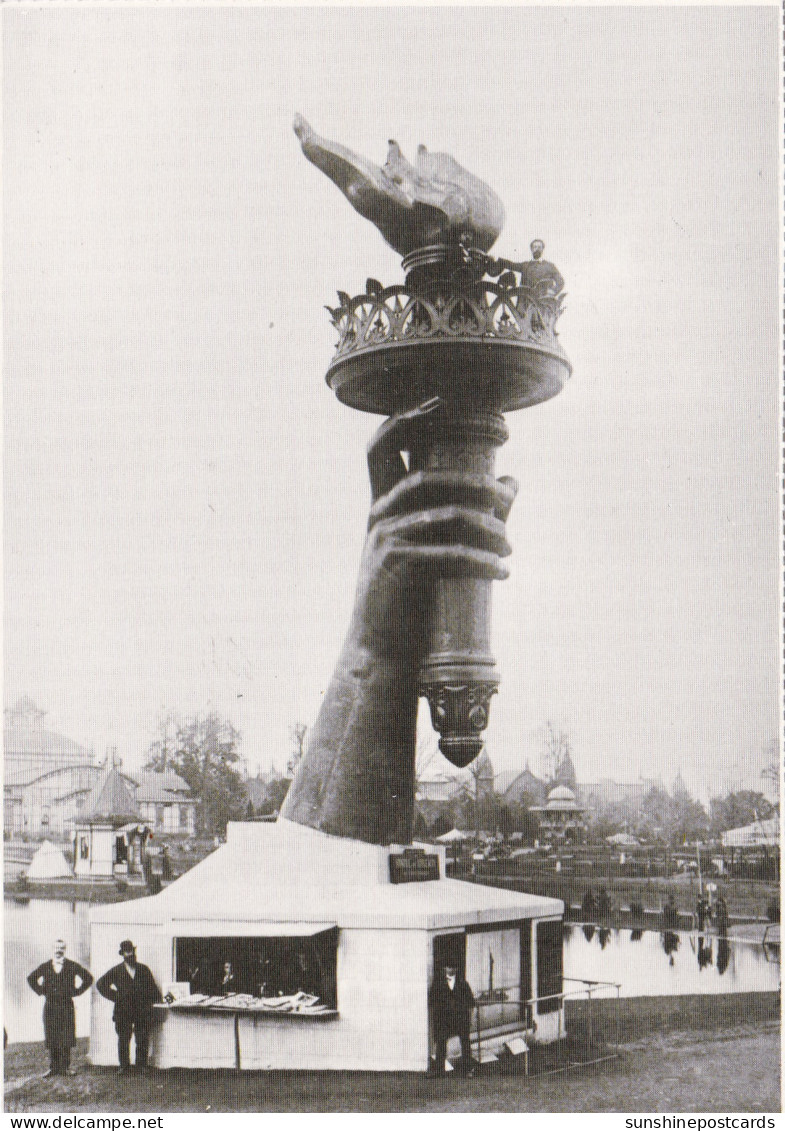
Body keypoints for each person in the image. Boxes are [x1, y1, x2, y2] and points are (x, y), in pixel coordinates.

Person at [27, 938, 93, 1077]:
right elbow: (31, 978)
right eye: (56, 948)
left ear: (65, 949)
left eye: (61, 948)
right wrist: (41, 991)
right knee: (52, 1036)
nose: (59, 950)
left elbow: (88, 978)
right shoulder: (45, 966)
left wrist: (77, 991)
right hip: (50, 1006)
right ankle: (53, 1068)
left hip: (66, 1006)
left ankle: (65, 1068)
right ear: (52, 949)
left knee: (66, 1036)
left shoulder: (72, 965)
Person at [96, 940, 162, 1072]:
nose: (130, 954)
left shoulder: (143, 969)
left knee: (142, 1037)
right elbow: (101, 984)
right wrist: (116, 997)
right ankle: (124, 1066)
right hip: (123, 1010)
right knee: (124, 1038)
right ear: (122, 954)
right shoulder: (116, 970)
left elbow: (153, 988)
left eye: (132, 951)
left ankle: (142, 1065)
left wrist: (156, 1000)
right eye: (127, 952)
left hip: (142, 1010)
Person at [429, 964, 476, 1076]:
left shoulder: (463, 983)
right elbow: (432, 1002)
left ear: (457, 968)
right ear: (444, 968)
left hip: (461, 1018)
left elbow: (471, 1002)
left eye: (453, 967)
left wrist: (470, 1018)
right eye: (448, 967)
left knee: (465, 1042)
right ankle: (439, 1070)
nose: (451, 969)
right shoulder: (438, 984)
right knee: (441, 1042)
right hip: (444, 1019)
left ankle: (467, 1069)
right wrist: (436, 1019)